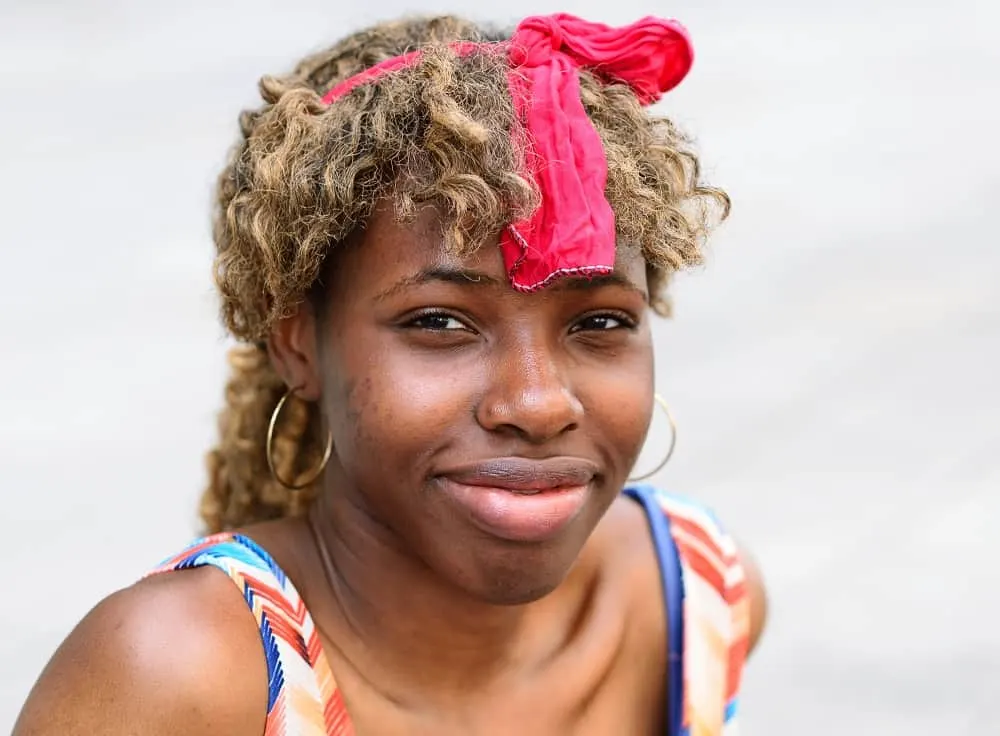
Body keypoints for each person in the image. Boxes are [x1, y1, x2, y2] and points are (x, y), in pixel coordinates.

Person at [14, 12, 767, 736]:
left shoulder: (698, 597)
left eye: (599, 322)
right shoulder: (178, 675)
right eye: (439, 322)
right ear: (298, 344)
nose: (537, 404)